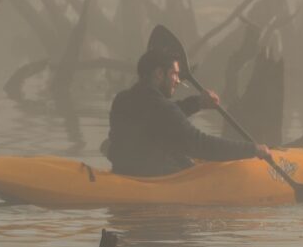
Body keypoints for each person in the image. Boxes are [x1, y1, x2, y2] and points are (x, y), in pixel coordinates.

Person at [106, 48, 271, 177]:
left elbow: (157, 118)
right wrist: (251, 150)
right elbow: (201, 145)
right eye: (175, 74)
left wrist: (197, 103)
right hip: (158, 183)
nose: (178, 81)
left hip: (124, 173)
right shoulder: (162, 109)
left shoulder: (123, 100)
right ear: (159, 74)